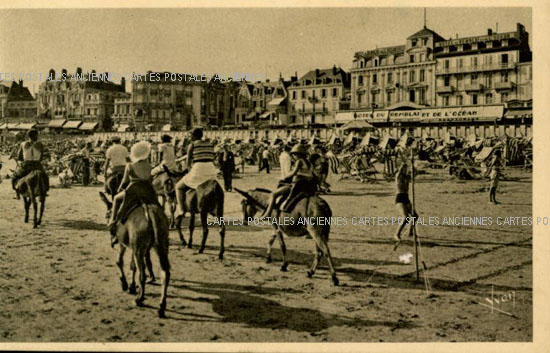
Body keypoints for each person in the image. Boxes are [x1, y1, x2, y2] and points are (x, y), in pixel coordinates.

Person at [107, 141, 155, 245]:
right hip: (147, 190)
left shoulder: (130, 165)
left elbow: (124, 181)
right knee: (157, 205)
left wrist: (120, 188)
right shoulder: (149, 165)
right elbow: (150, 179)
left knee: (116, 199)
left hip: (133, 190)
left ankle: (113, 221)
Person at [174, 128, 218, 218]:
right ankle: (213, 208)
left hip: (199, 168)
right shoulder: (209, 144)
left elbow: (188, 161)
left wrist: (187, 170)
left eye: (190, 136)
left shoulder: (192, 145)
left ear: (194, 136)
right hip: (211, 168)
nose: (189, 138)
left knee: (178, 187)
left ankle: (181, 210)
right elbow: (212, 157)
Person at [261, 144, 314, 218]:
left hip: (296, 184)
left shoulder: (299, 161)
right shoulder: (309, 162)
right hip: (306, 186)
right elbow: (310, 174)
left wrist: (284, 177)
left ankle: (268, 214)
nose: (293, 156)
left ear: (298, 154)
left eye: (294, 155)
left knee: (274, 194)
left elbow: (293, 173)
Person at [12, 129, 49, 199]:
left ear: (28, 136)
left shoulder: (23, 144)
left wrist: (20, 162)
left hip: (26, 165)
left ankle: (17, 193)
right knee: (45, 177)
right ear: (36, 136)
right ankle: (44, 192)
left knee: (14, 177)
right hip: (37, 165)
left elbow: (19, 156)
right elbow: (41, 157)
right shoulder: (40, 145)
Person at [393, 163, 416, 241]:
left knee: (415, 216)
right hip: (399, 198)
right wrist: (402, 165)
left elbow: (414, 174)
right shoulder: (398, 177)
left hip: (406, 197)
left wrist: (412, 165)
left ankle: (410, 231)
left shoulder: (406, 177)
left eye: (405, 169)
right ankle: (397, 234)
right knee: (405, 218)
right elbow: (399, 172)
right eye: (404, 169)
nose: (405, 170)